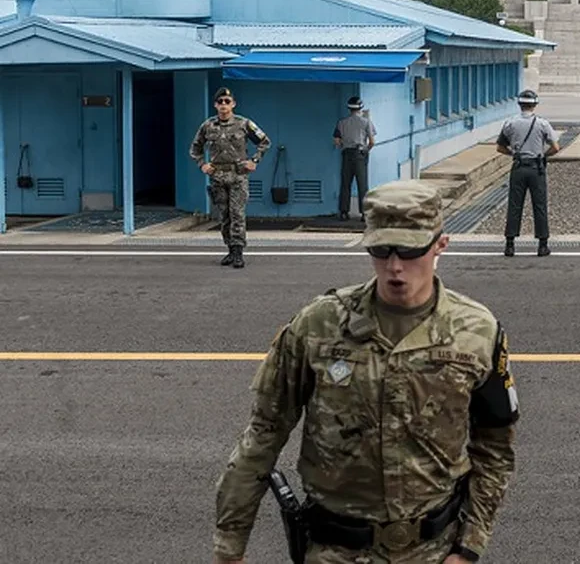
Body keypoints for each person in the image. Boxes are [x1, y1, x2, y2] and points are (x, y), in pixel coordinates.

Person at [212, 179, 520, 564]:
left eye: (410, 250)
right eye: (381, 250)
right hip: (334, 551)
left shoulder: (477, 331)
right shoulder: (318, 325)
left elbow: (495, 446)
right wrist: (230, 545)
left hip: (434, 551)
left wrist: (469, 546)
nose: (395, 266)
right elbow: (264, 433)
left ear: (440, 244)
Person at [190, 87, 271, 268]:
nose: (224, 105)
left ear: (233, 104)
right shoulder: (208, 126)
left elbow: (264, 142)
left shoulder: (244, 124)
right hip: (218, 177)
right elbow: (195, 148)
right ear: (215, 105)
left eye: (227, 101)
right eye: (220, 102)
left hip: (238, 175)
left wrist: (254, 161)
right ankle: (230, 249)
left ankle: (238, 251)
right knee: (224, 215)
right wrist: (202, 164)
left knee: (237, 213)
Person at [496, 89, 560, 257]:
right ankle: (542, 245)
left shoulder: (510, 123)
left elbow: (500, 147)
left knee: (514, 205)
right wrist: (543, 155)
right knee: (539, 205)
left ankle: (510, 245)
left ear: (519, 104)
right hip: (536, 168)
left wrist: (514, 153)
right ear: (534, 105)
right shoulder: (542, 124)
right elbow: (555, 147)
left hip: (518, 167)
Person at [334, 96, 377, 221]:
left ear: (349, 108)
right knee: (362, 184)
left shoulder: (341, 122)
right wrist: (366, 150)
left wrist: (344, 146)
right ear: (361, 108)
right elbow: (372, 141)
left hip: (347, 153)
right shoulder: (366, 122)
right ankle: (364, 213)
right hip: (360, 154)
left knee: (345, 183)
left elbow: (336, 141)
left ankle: (344, 212)